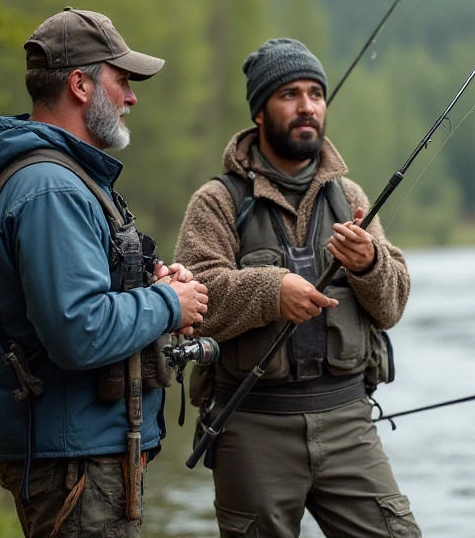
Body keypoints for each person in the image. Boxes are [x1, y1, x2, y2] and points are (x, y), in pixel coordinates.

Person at [0, 8, 209, 537]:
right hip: (76, 460)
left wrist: (153, 289)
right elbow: (80, 329)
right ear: (79, 84)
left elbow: (80, 301)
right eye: (121, 82)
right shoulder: (52, 188)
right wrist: (168, 304)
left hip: (78, 451)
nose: (132, 98)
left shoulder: (55, 178)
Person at [175, 38, 420, 538]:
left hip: (349, 421)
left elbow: (392, 305)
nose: (307, 106)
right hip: (252, 423)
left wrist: (370, 264)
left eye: (315, 93)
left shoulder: (348, 196)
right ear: (260, 112)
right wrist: (271, 291)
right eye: (290, 94)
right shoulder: (218, 201)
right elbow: (191, 300)